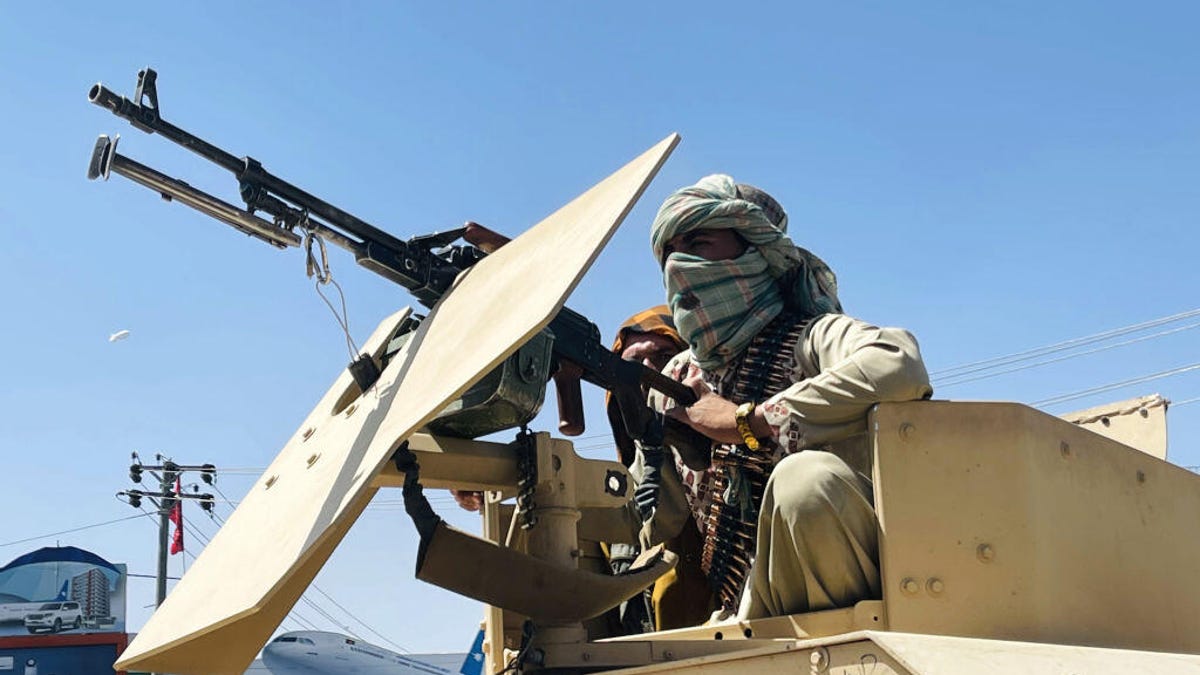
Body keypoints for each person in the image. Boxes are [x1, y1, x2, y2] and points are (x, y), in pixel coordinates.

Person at [638, 174, 933, 620]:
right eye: (670, 253)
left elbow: (899, 363)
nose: (680, 265)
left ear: (756, 254)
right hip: (743, 608)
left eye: (700, 243)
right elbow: (661, 526)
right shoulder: (677, 375)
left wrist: (749, 421)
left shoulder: (811, 336)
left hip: (851, 595)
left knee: (805, 480)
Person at [605, 307, 715, 633]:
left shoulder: (728, 461)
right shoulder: (609, 498)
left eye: (665, 356)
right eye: (632, 364)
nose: (649, 373)